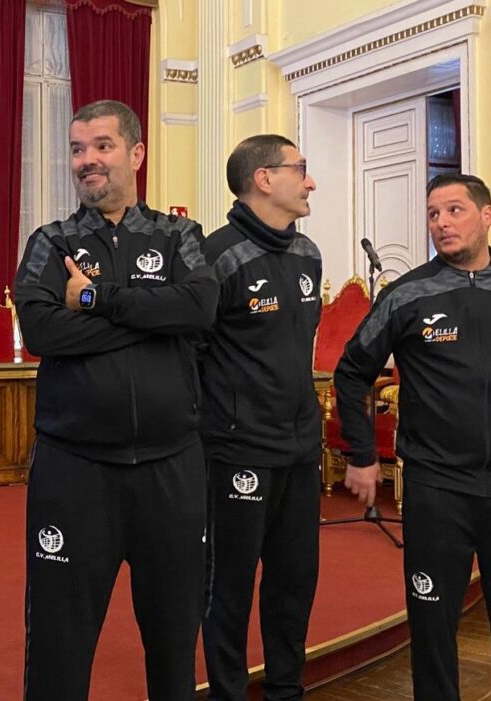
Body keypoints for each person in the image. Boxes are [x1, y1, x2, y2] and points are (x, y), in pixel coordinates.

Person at [13, 99, 219, 700]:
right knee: (58, 643)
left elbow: (199, 307)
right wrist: (153, 319)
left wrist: (97, 300)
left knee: (175, 641)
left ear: (136, 153)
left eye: (102, 146)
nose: (87, 160)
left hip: (170, 467)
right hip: (74, 471)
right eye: (77, 149)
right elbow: (42, 330)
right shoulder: (50, 241)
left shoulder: (179, 236)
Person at [335, 174, 491, 700]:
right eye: (433, 213)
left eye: (455, 210)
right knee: (433, 626)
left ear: (487, 215)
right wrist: (363, 454)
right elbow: (351, 372)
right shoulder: (405, 295)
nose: (441, 223)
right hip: (437, 488)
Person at [198, 135, 321, 700]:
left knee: (295, 581)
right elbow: (192, 354)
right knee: (228, 585)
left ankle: (285, 689)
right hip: (236, 450)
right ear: (265, 179)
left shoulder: (308, 253)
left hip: (300, 448)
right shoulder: (215, 255)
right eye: (301, 169)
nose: (311, 181)